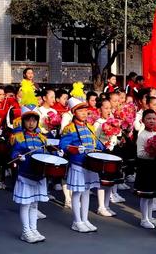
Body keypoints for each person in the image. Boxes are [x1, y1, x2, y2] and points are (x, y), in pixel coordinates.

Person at [60, 97, 105, 233]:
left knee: (86, 192)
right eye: (81, 111)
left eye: (86, 110)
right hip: (78, 164)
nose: (84, 113)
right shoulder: (69, 128)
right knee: (77, 192)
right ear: (74, 112)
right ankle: (76, 221)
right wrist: (74, 149)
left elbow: (96, 143)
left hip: (90, 164)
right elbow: (63, 145)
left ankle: (85, 219)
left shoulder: (89, 127)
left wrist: (103, 146)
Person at [10, 96, 50, 243]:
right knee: (26, 204)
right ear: (23, 121)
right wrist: (18, 156)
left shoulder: (42, 138)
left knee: (34, 204)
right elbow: (14, 152)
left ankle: (34, 229)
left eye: (34, 120)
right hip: (25, 175)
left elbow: (46, 153)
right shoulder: (19, 137)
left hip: (39, 175)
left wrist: (55, 154)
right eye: (28, 120)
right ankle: (26, 231)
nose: (31, 123)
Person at [134, 109, 156, 230]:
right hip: (146, 167)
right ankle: (144, 219)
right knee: (145, 194)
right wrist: (152, 152)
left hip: (155, 166)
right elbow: (140, 154)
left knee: (152, 194)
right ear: (143, 120)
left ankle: (150, 217)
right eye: (148, 118)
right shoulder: (142, 135)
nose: (151, 121)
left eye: (154, 118)